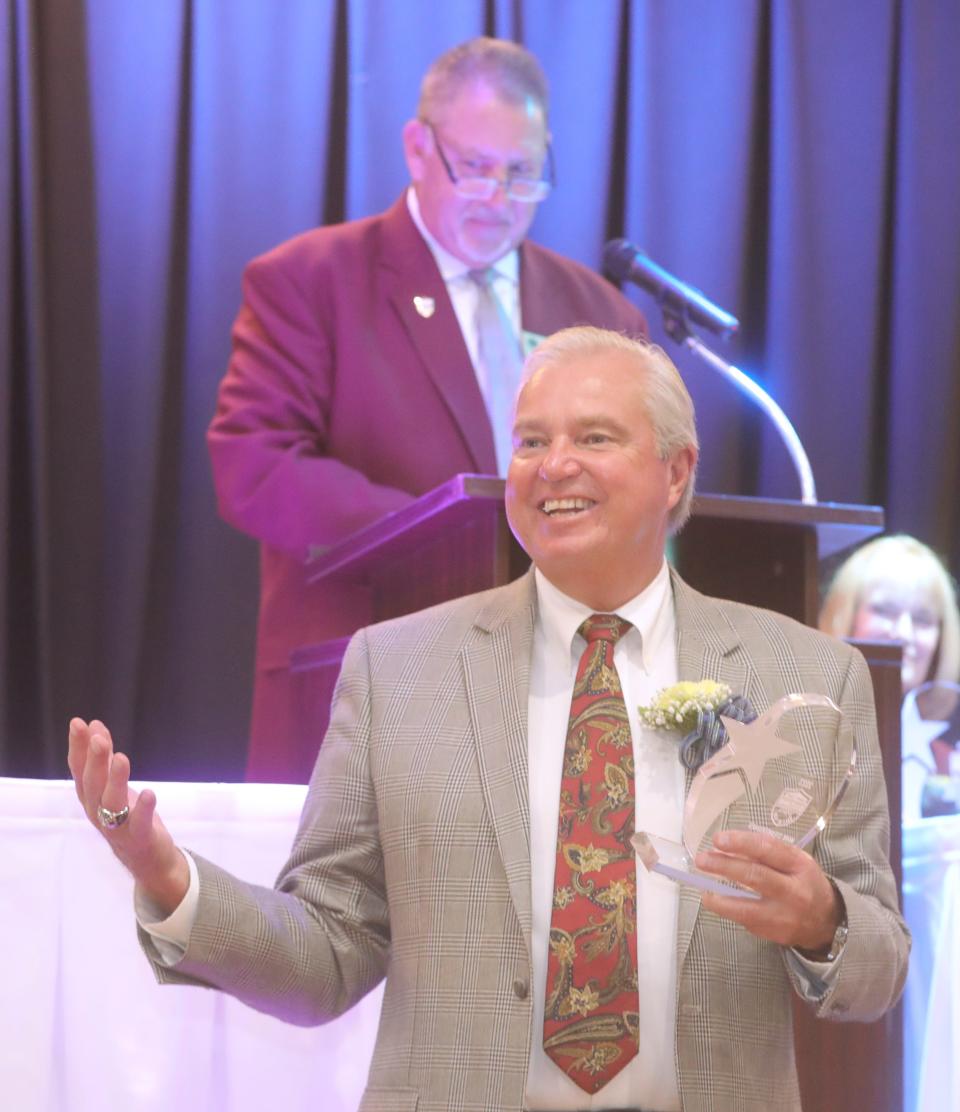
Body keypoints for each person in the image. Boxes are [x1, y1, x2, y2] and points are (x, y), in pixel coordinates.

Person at [70, 328, 908, 1112]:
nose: (555, 466)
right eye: (532, 441)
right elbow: (326, 954)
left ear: (676, 471)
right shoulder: (395, 671)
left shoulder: (807, 673)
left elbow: (879, 968)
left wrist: (823, 920)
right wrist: (174, 882)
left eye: (595, 438)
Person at [207, 37, 647, 782]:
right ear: (417, 148)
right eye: (475, 169)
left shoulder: (598, 313)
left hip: (556, 704)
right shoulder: (311, 282)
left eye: (522, 175)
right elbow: (253, 464)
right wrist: (444, 537)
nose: (498, 199)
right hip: (362, 688)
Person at [819, 533, 960, 818]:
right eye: (885, 611)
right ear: (846, 614)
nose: (903, 634)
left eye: (922, 619)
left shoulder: (948, 759)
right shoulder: (811, 728)